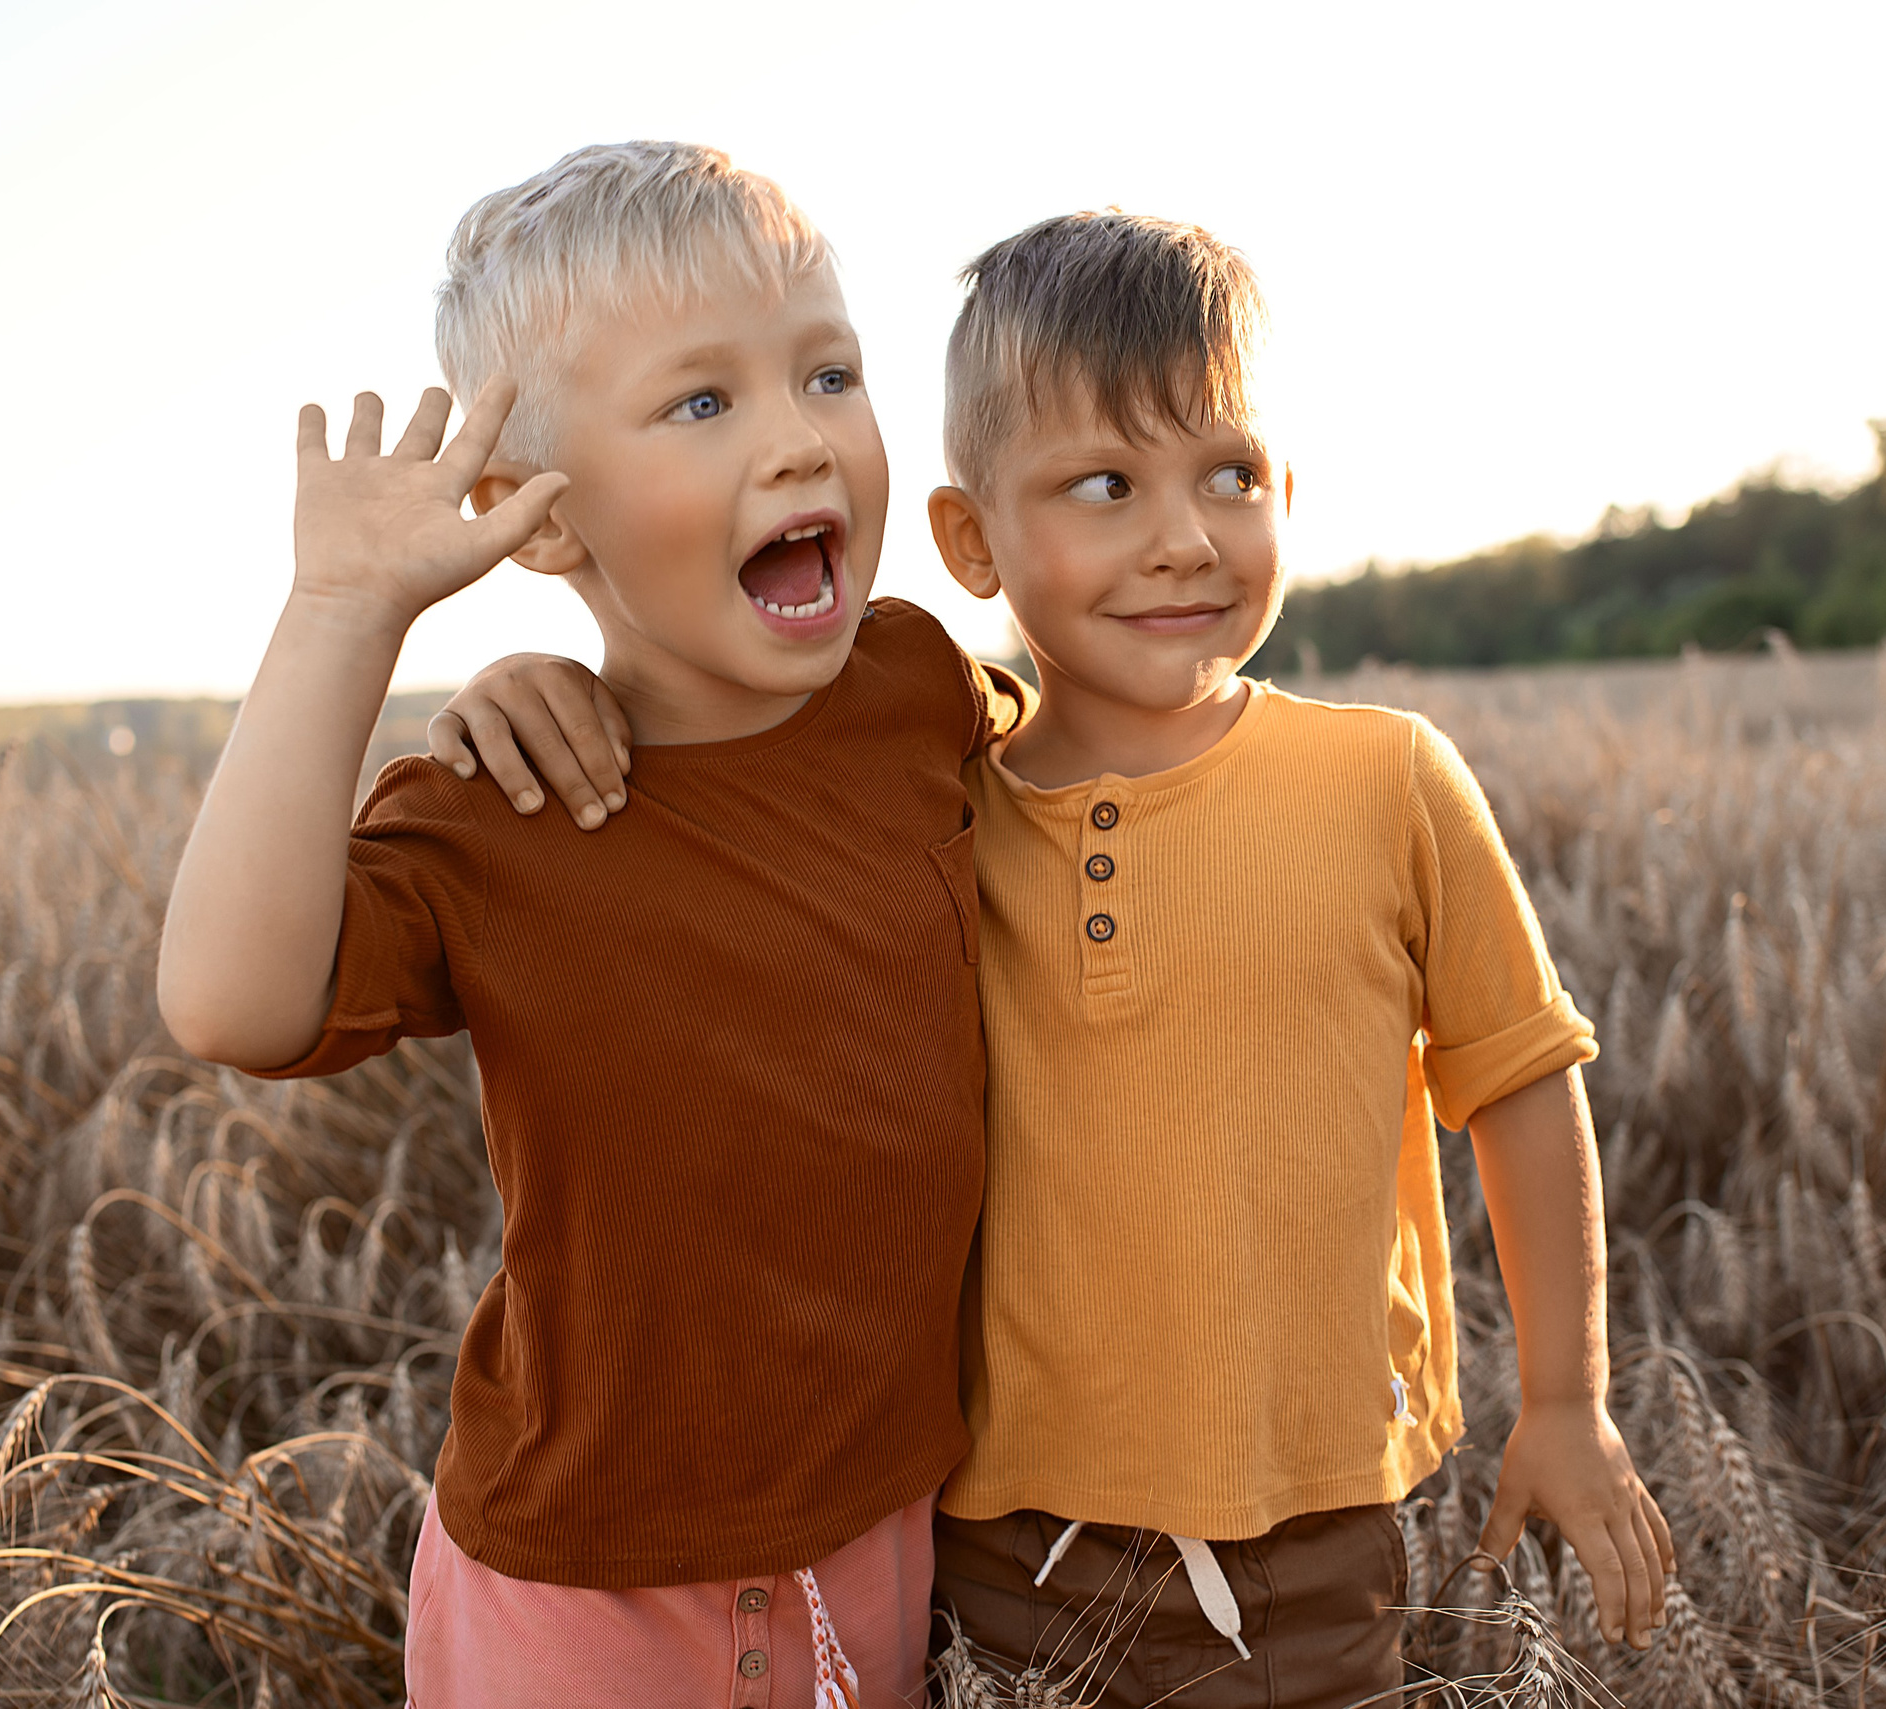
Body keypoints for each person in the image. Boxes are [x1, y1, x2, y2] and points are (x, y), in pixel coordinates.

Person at [435, 209, 1672, 1707]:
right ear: (971, 540)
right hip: (993, 1537)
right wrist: (536, 675)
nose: (1184, 536)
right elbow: (711, 739)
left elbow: (1523, 1079)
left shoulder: (1387, 781)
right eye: (1104, 484)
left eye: (1231, 475)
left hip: (1311, 1520)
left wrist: (1567, 1397)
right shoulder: (930, 791)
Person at [155, 140, 1019, 1709]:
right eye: (703, 403)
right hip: (579, 1594)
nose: (798, 441)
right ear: (536, 521)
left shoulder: (919, 689)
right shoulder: (507, 811)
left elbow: (1112, 761)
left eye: (829, 373)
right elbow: (231, 1002)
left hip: (882, 1536)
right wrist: (346, 616)